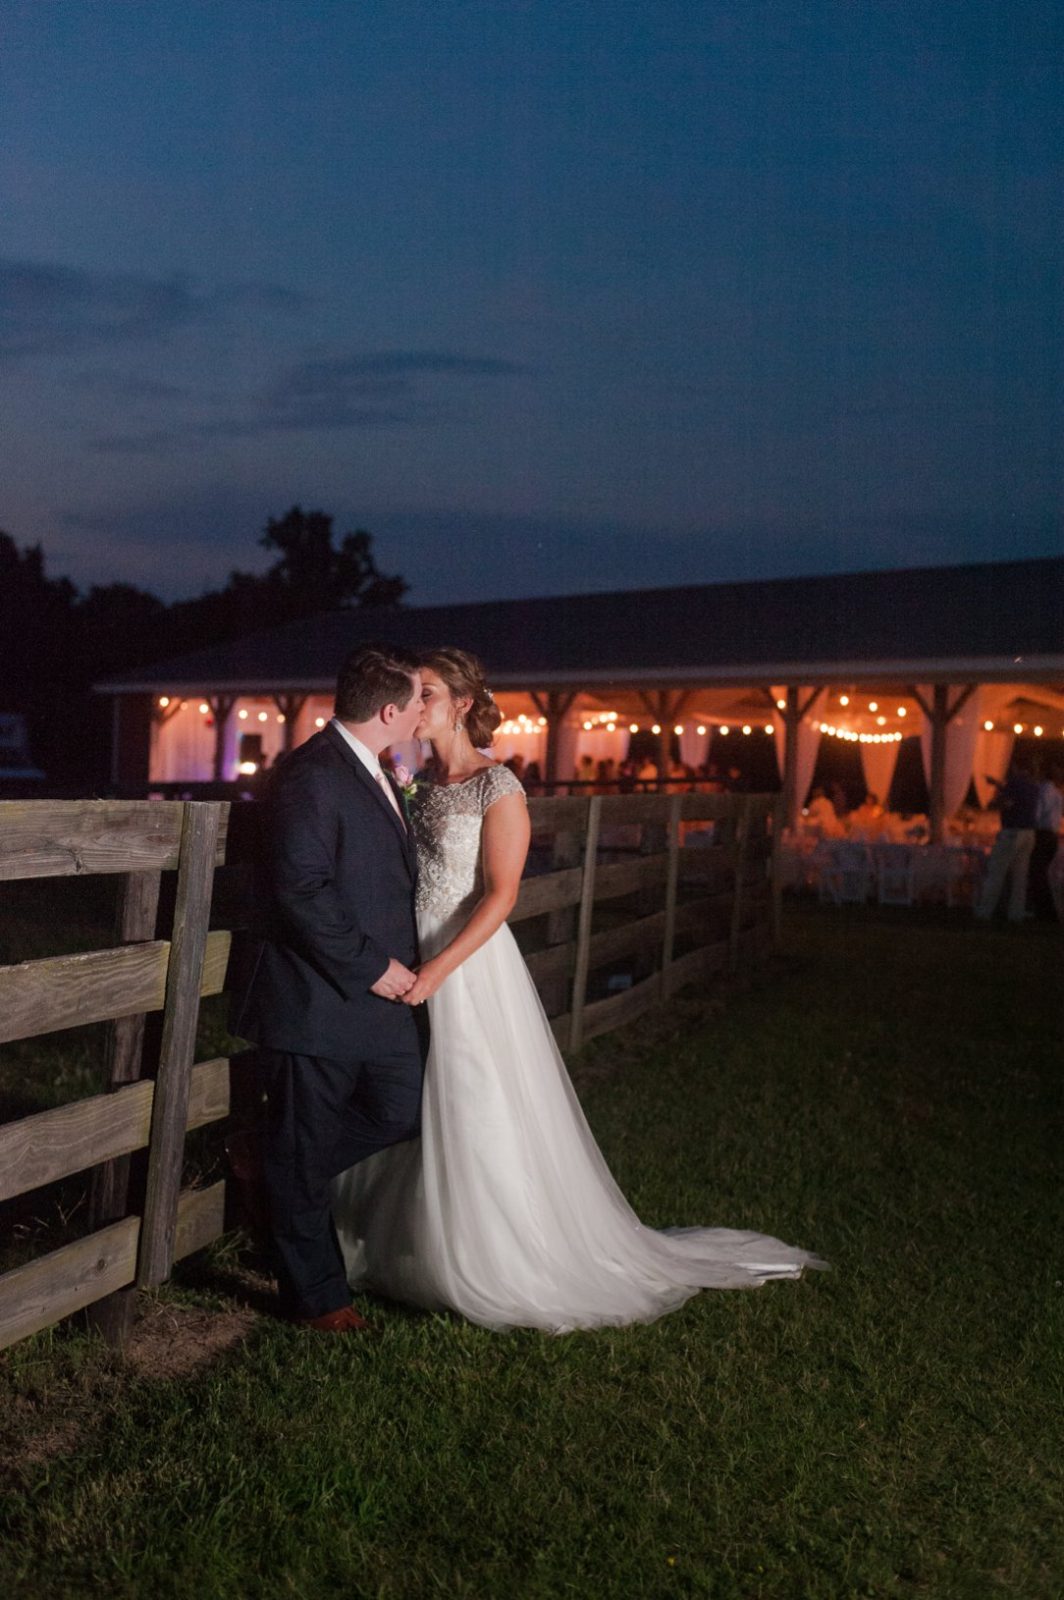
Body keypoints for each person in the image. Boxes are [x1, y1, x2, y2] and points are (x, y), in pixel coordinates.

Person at [332, 648, 824, 1333]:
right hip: (407, 960)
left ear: (464, 704)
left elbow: (502, 896)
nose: (418, 705)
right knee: (409, 1094)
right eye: (414, 693)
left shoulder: (496, 786)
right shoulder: (411, 781)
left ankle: (490, 1257)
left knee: (471, 1095)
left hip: (464, 966)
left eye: (430, 693)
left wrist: (439, 970)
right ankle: (399, 1237)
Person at [230, 643, 427, 1333]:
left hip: (375, 1003)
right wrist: (371, 964)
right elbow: (301, 888)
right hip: (315, 997)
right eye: (419, 701)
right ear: (390, 709)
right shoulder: (313, 776)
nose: (425, 712)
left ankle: (268, 1164)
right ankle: (318, 1300)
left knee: (403, 1109)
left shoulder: (375, 768)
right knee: (304, 1149)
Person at [974, 758, 1041, 922]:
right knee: (1020, 876)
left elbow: (1008, 802)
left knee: (996, 872)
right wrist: (998, 785)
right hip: (1029, 833)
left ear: (1015, 766)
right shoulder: (1033, 785)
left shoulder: (1014, 783)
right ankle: (1016, 913)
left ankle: (985, 911)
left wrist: (994, 803)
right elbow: (1019, 797)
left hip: (1012, 832)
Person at [1028, 762, 1063, 921]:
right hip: (1053, 836)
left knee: (1037, 872)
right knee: (1046, 872)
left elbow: (1037, 814)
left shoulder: (1042, 792)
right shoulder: (1058, 794)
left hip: (1041, 834)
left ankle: (1042, 909)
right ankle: (1049, 908)